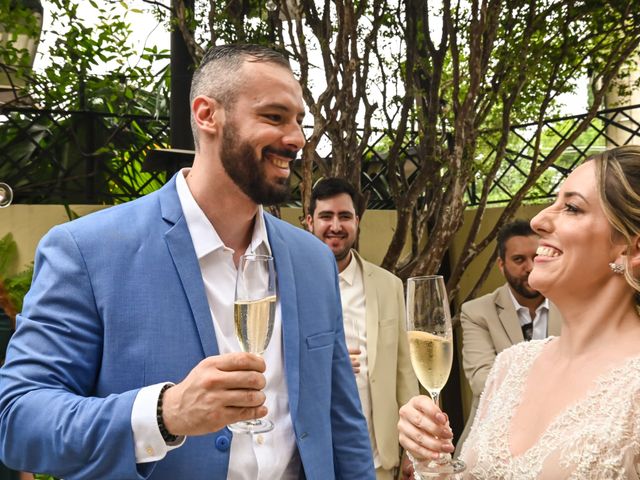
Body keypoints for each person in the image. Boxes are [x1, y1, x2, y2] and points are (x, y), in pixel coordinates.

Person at [0, 44, 374, 480]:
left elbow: (342, 425)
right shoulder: (86, 250)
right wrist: (165, 413)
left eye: (298, 122)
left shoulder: (313, 260)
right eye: (274, 117)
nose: (296, 139)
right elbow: (19, 420)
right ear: (206, 115)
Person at [398, 145, 640, 478]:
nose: (539, 221)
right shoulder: (511, 366)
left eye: (571, 207)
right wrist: (430, 459)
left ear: (632, 248)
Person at [306, 178, 418, 480]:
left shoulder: (389, 286)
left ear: (357, 220)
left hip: (377, 459)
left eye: (345, 216)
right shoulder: (290, 286)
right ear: (309, 222)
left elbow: (404, 372)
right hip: (311, 461)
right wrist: (327, 360)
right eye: (326, 216)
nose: (336, 226)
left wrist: (412, 449)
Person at [456, 219, 562, 452]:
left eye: (536, 257)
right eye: (519, 259)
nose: (530, 267)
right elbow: (482, 381)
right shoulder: (476, 312)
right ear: (501, 265)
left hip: (560, 436)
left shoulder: (571, 305)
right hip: (492, 438)